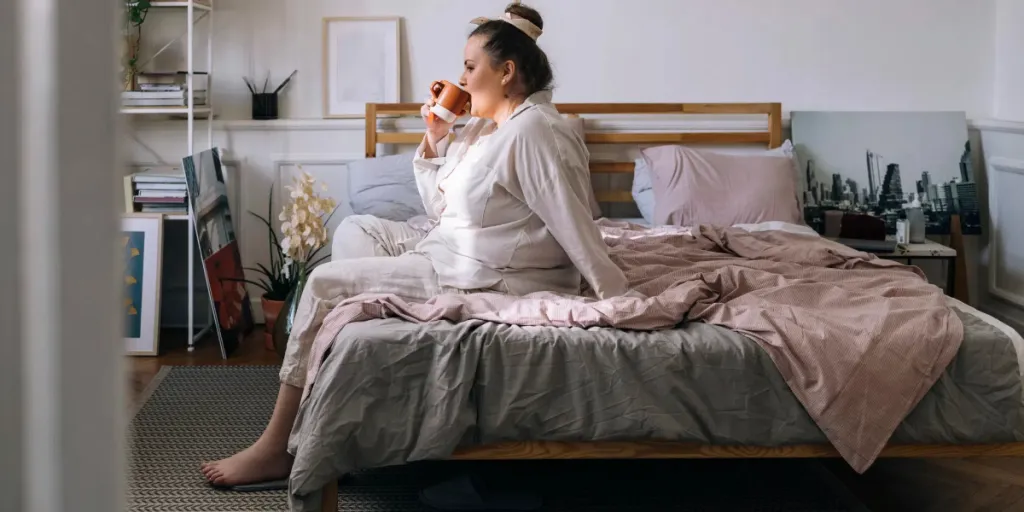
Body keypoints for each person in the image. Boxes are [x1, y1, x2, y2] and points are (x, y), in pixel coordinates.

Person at [200, 2, 629, 487]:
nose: (461, 79)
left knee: (322, 283)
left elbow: (575, 222)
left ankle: (276, 447)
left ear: (507, 72)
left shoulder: (536, 132)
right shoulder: (491, 127)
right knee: (354, 229)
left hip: (485, 273)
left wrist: (619, 298)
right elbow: (440, 208)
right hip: (446, 244)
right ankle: (363, 356)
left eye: (470, 67)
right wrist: (435, 138)